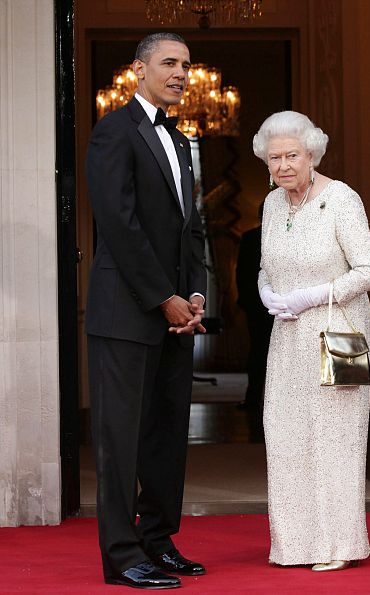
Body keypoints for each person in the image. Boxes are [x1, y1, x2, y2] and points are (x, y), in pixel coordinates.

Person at [85, 32, 207, 589]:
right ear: (139, 69)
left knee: (164, 436)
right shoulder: (114, 130)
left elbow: (190, 231)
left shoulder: (183, 143)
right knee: (121, 439)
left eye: (186, 64)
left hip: (179, 319)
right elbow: (119, 225)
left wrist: (196, 295)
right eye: (169, 63)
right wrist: (164, 299)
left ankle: (158, 540)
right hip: (127, 314)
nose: (181, 73)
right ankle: (122, 553)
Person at [252, 111, 370, 571]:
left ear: (312, 155)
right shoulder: (272, 204)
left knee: (335, 440)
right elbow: (268, 265)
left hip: (338, 333)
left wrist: (314, 295)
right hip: (286, 337)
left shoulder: (341, 199)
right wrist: (267, 289)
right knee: (285, 436)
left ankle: (336, 546)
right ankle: (294, 545)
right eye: (274, 158)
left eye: (292, 155)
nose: (283, 165)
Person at [235, 202, 274, 412]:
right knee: (258, 353)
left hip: (282, 305)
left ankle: (259, 400)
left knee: (260, 352)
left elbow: (240, 274)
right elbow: (242, 273)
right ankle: (254, 399)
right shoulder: (250, 238)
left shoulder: (252, 237)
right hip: (258, 306)